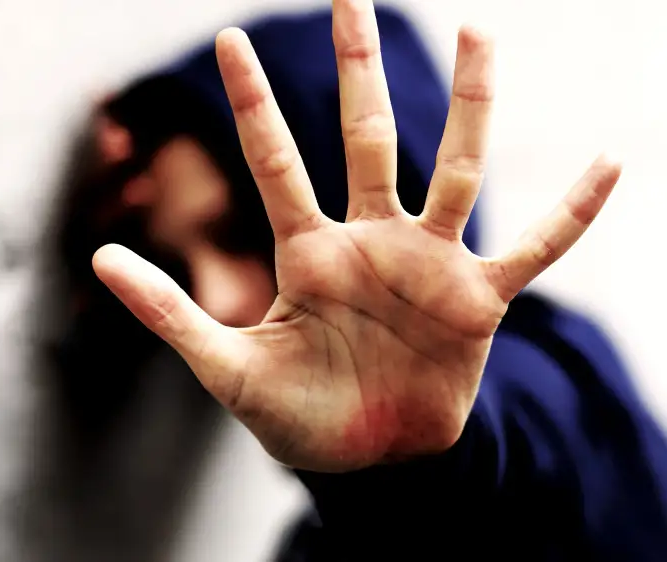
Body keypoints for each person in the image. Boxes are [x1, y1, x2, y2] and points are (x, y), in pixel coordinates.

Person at [36, 1, 667, 559]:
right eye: (174, 265)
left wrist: (411, 466)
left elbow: (517, 474)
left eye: (239, 234)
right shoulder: (314, 536)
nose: (215, 300)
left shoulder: (552, 379)